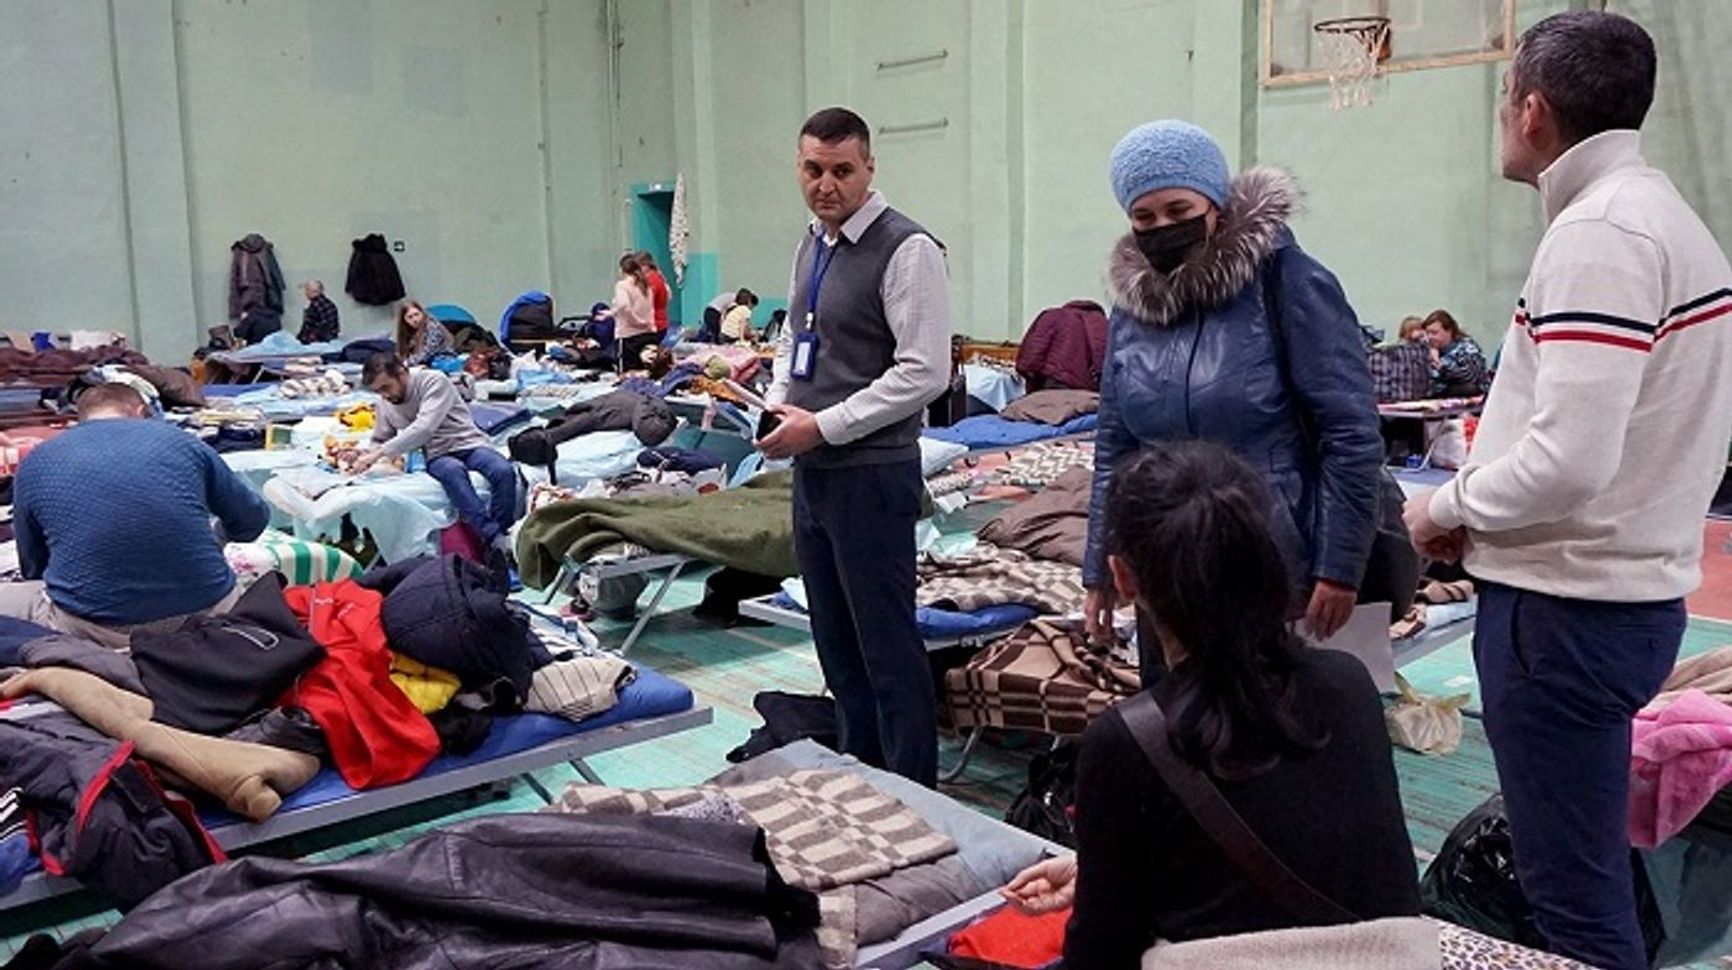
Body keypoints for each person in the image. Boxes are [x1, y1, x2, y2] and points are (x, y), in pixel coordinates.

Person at [1403, 13, 1732, 969]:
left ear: (1533, 109)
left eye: (1506, 98)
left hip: (1567, 619)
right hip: (1606, 604)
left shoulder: (1602, 235)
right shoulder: (1663, 220)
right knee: (1583, 877)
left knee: (1573, 903)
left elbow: (1570, 459)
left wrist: (1446, 507)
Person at [1004, 442, 1420, 968]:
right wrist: (1099, 872)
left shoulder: (1128, 740)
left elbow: (1101, 953)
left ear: (1124, 578)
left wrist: (1104, 882)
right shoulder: (1349, 682)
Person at [1084, 119, 1384, 676]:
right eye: (1143, 218)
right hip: (1163, 561)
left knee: (1274, 729)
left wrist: (1339, 566)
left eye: (1178, 211)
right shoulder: (1133, 308)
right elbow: (1114, 446)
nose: (1162, 228)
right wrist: (1099, 568)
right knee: (1176, 730)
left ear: (1215, 205)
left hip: (1270, 559)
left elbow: (1350, 435)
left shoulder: (1289, 282)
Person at [759, 106, 951, 786]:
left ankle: (915, 794)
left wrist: (825, 424)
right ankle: (863, 776)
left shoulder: (908, 249)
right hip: (815, 474)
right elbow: (794, 337)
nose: (826, 184)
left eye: (842, 171)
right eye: (813, 170)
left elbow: (926, 372)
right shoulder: (814, 244)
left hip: (872, 473)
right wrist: (783, 400)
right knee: (836, 645)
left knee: (886, 648)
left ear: (870, 167)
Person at [0, 384, 270, 650]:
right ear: (141, 411)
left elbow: (33, 566)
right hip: (208, 612)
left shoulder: (38, 460)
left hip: (94, 627)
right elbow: (252, 521)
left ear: (79, 420)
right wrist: (217, 537)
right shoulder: (183, 442)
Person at [355, 353, 518, 571]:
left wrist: (379, 454)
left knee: (503, 471)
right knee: (453, 472)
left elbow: (424, 427)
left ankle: (500, 540)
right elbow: (380, 438)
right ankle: (494, 539)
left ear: (402, 373)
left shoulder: (432, 381)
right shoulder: (385, 403)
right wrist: (362, 455)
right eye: (378, 391)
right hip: (438, 453)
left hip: (468, 443)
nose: (384, 395)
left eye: (386, 387)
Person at [1422, 309, 1490, 396]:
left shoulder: (1467, 348)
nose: (1430, 337)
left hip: (1470, 394)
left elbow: (1469, 377)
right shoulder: (1429, 348)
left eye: (1434, 333)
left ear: (1449, 331)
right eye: (1427, 333)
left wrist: (1439, 364)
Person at [612, 254, 658, 369]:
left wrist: (637, 321)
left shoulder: (622, 286)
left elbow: (624, 306)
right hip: (648, 332)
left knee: (628, 375)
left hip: (629, 335)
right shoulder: (646, 286)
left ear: (622, 270)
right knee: (649, 372)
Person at [396, 299, 454, 367]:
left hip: (443, 361)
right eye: (410, 317)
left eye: (416, 314)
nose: (415, 319)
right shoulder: (408, 332)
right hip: (425, 364)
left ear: (422, 313)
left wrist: (407, 363)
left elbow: (428, 351)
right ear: (404, 320)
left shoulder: (432, 326)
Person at [637, 251, 672, 336]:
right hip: (660, 321)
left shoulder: (652, 280)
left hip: (655, 323)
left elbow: (646, 302)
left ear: (646, 265)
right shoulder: (657, 276)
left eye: (639, 267)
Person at [298, 280, 341, 344]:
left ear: (313, 292)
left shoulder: (315, 305)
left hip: (319, 340)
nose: (305, 293)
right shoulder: (329, 303)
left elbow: (310, 326)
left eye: (307, 290)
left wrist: (302, 339)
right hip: (331, 337)